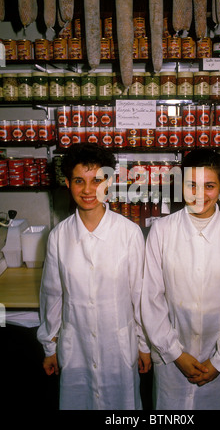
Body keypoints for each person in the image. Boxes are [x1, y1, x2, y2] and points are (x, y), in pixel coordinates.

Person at [37, 143, 151, 410]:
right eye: (79, 181)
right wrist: (49, 346)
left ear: (108, 182)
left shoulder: (129, 233)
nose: (88, 190)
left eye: (96, 180)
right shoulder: (58, 236)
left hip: (119, 348)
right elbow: (52, 296)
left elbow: (140, 295)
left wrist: (143, 344)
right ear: (67, 183)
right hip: (76, 348)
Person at [141, 149, 220, 410]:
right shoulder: (161, 231)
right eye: (191, 184)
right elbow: (151, 298)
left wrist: (219, 361)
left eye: (209, 186)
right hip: (173, 363)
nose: (199, 194)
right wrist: (175, 354)